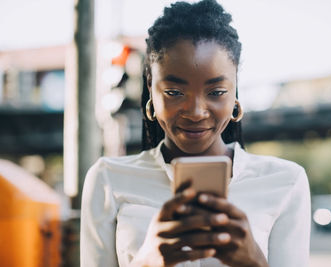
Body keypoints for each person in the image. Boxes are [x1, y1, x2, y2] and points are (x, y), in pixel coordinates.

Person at [80, 0, 311, 266]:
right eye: (174, 93)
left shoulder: (286, 181)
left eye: (216, 92)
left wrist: (253, 261)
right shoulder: (108, 178)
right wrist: (146, 261)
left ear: (235, 92)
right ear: (151, 90)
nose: (196, 112)